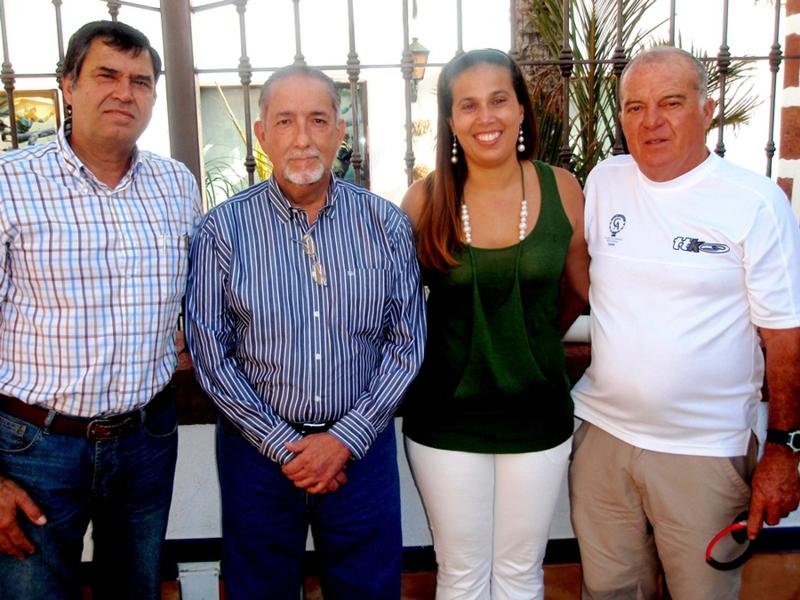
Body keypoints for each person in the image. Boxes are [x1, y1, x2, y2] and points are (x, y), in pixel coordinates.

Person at [185, 64, 426, 600]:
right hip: (258, 455)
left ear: (341, 130)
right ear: (262, 134)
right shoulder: (222, 231)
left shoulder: (384, 225)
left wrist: (344, 439)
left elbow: (407, 344)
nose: (302, 138)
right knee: (259, 590)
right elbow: (210, 353)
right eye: (285, 121)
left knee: (369, 588)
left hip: (360, 452)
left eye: (318, 119)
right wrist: (285, 446)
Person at [570, 46, 800, 600]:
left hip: (705, 449)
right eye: (634, 107)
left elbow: (785, 337)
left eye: (671, 103)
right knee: (608, 592)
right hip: (604, 437)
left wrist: (783, 448)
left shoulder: (756, 202)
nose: (651, 122)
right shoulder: (604, 181)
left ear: (708, 108)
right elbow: (585, 283)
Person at [0, 20, 201, 600]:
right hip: (33, 448)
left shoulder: (176, 186)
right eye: (106, 75)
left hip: (145, 442)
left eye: (141, 81)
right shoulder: (12, 184)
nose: (124, 92)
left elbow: (199, 296)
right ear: (68, 84)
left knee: (135, 590)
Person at [400, 48, 589, 600]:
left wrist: (522, 345)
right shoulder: (424, 200)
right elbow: (395, 312)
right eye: (468, 105)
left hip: (538, 416)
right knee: (460, 575)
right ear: (452, 120)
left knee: (519, 575)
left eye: (499, 100)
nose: (486, 118)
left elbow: (577, 292)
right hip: (445, 423)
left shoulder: (563, 189)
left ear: (523, 109)